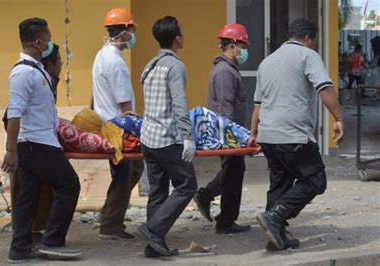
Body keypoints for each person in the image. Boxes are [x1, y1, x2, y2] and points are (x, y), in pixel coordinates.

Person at [248, 18, 344, 252]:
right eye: (313, 41)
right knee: (315, 180)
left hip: (268, 136)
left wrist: (253, 134)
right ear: (309, 38)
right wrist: (339, 118)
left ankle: (276, 236)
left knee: (279, 184)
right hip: (293, 135)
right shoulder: (308, 56)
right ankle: (276, 217)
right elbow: (324, 87)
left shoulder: (267, 62)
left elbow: (258, 105)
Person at [2, 18, 81, 263]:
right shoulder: (23, 73)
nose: (49, 42)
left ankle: (20, 247)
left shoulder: (35, 70)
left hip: (38, 141)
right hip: (37, 144)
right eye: (47, 38)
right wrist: (10, 150)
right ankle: (52, 241)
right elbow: (14, 112)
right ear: (37, 42)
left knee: (29, 194)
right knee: (69, 185)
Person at [137, 16, 197, 258]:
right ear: (177, 38)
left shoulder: (150, 65)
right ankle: (153, 230)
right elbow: (179, 104)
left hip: (148, 137)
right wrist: (188, 136)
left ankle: (155, 245)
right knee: (187, 185)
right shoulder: (175, 66)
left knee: (158, 191)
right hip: (167, 138)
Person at [193, 23, 251, 235]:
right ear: (233, 45)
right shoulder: (225, 72)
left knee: (233, 171)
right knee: (234, 172)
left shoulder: (226, 69)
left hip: (227, 133)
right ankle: (225, 220)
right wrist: (230, 138)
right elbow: (225, 107)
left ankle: (208, 198)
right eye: (243, 45)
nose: (245, 51)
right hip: (227, 134)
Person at [92, 7, 144, 240]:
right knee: (125, 173)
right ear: (124, 32)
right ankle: (110, 224)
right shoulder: (115, 62)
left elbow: (94, 97)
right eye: (131, 30)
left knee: (130, 171)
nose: (133, 35)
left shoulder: (102, 55)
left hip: (107, 124)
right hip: (119, 127)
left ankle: (108, 214)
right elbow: (125, 106)